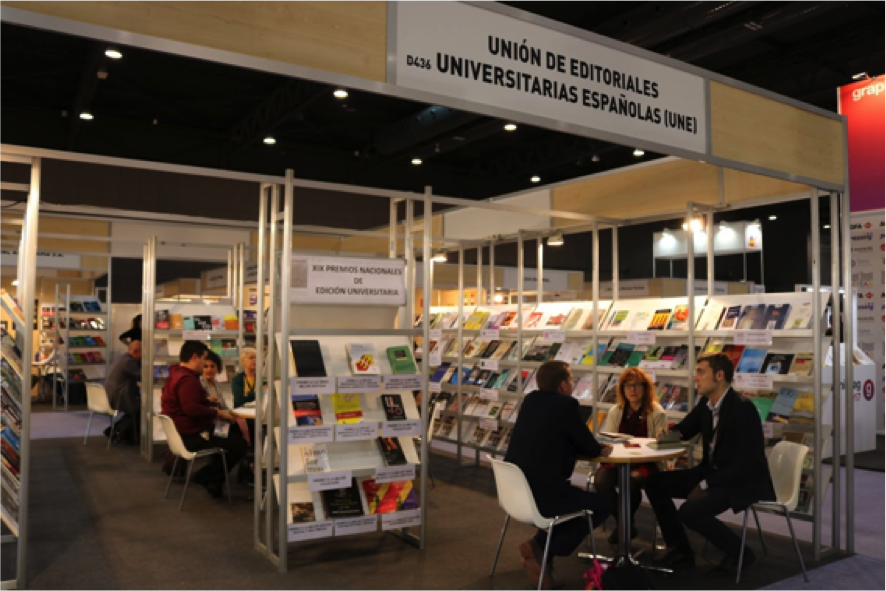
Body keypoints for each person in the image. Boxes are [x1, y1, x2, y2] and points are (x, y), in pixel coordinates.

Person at [645, 352, 776, 575]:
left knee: (691, 510)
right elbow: (685, 430)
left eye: (700, 372)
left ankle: (741, 552)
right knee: (654, 483)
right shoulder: (706, 403)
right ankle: (680, 551)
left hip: (740, 481)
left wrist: (705, 484)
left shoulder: (742, 409)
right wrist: (667, 434)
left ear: (719, 375)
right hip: (712, 473)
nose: (695, 378)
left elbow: (745, 464)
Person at [504, 360, 613, 591]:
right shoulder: (566, 405)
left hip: (516, 493)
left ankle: (539, 548)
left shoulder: (530, 400)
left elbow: (554, 437)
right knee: (605, 503)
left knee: (575, 503)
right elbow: (591, 447)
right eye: (571, 380)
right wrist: (597, 448)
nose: (572, 384)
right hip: (545, 494)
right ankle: (544, 549)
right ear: (563, 385)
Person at [160, 341, 247, 498]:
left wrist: (207, 403)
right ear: (195, 357)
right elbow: (192, 410)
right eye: (203, 359)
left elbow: (186, 404)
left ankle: (211, 478)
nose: (205, 365)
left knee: (232, 431)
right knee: (239, 444)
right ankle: (208, 477)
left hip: (183, 433)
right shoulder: (188, 380)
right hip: (193, 435)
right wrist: (218, 413)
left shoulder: (176, 375)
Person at [594, 367, 668, 546]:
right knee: (601, 480)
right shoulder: (616, 411)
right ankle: (626, 525)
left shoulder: (657, 412)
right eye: (627, 386)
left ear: (645, 388)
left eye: (636, 385)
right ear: (622, 389)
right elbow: (608, 439)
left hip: (645, 461)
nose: (632, 390)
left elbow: (661, 445)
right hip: (618, 460)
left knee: (631, 481)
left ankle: (623, 528)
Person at [104, 339, 142, 443]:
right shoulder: (129, 362)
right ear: (135, 351)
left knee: (137, 407)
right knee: (143, 408)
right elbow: (143, 376)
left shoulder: (121, 358)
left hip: (111, 395)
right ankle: (121, 432)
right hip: (119, 397)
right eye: (141, 353)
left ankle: (116, 430)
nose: (142, 356)